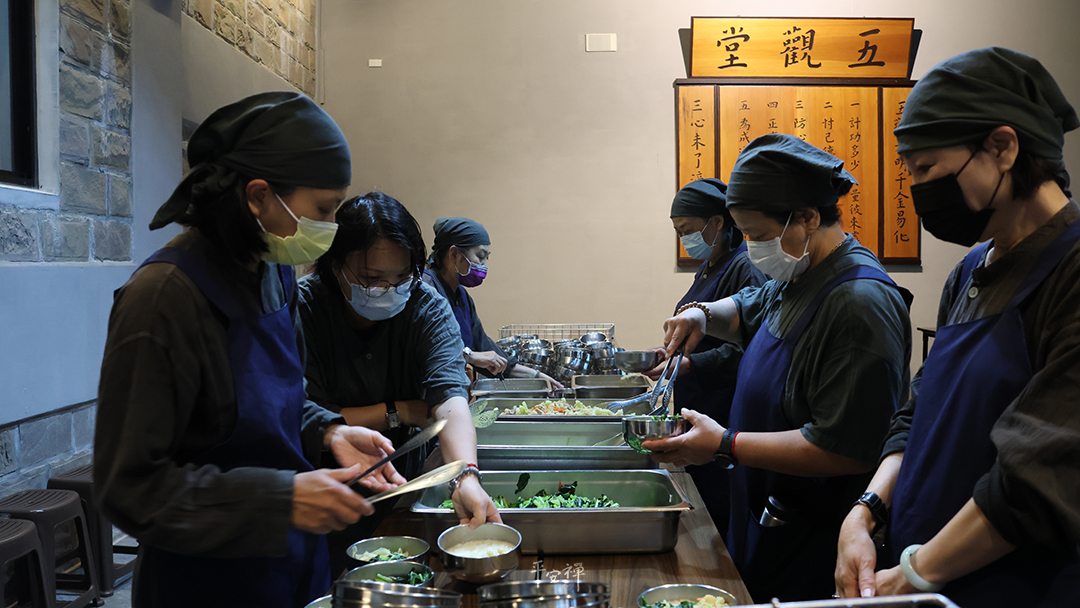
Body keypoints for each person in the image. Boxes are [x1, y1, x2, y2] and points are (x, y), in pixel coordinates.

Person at [93, 93, 406, 608]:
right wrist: (279, 499)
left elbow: (277, 401)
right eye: (323, 210)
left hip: (292, 565)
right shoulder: (163, 298)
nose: (329, 227)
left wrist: (329, 431)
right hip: (204, 584)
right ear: (259, 197)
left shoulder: (274, 272)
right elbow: (129, 487)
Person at [834, 48, 1080, 607]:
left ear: (1003, 147)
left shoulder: (1069, 273)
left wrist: (915, 575)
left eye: (926, 169)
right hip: (924, 576)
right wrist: (865, 512)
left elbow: (1040, 477)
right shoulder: (970, 272)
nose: (918, 188)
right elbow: (921, 410)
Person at [646, 134, 912, 602]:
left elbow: (846, 448)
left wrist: (726, 444)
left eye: (758, 235)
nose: (751, 247)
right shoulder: (799, 273)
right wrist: (701, 314)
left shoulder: (858, 304)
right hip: (768, 513)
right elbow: (749, 305)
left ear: (807, 217)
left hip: (815, 532)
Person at [299, 191, 501, 576]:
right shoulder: (305, 308)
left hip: (399, 486)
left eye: (401, 278)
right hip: (321, 492)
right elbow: (303, 410)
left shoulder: (425, 305)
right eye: (372, 280)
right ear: (336, 266)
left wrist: (465, 476)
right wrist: (398, 411)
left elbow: (449, 397)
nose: (389, 290)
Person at [650, 178, 765, 531]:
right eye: (678, 232)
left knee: (721, 508)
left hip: (723, 408)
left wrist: (692, 363)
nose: (684, 239)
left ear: (718, 222)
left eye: (688, 230)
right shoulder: (710, 265)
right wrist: (670, 353)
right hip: (700, 402)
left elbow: (750, 347)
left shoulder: (744, 268)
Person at [423, 217, 562, 388]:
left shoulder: (462, 296)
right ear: (454, 254)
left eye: (486, 258)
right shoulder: (425, 290)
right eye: (480, 256)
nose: (484, 265)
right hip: (424, 394)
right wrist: (470, 356)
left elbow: (482, 346)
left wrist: (536, 376)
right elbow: (426, 348)